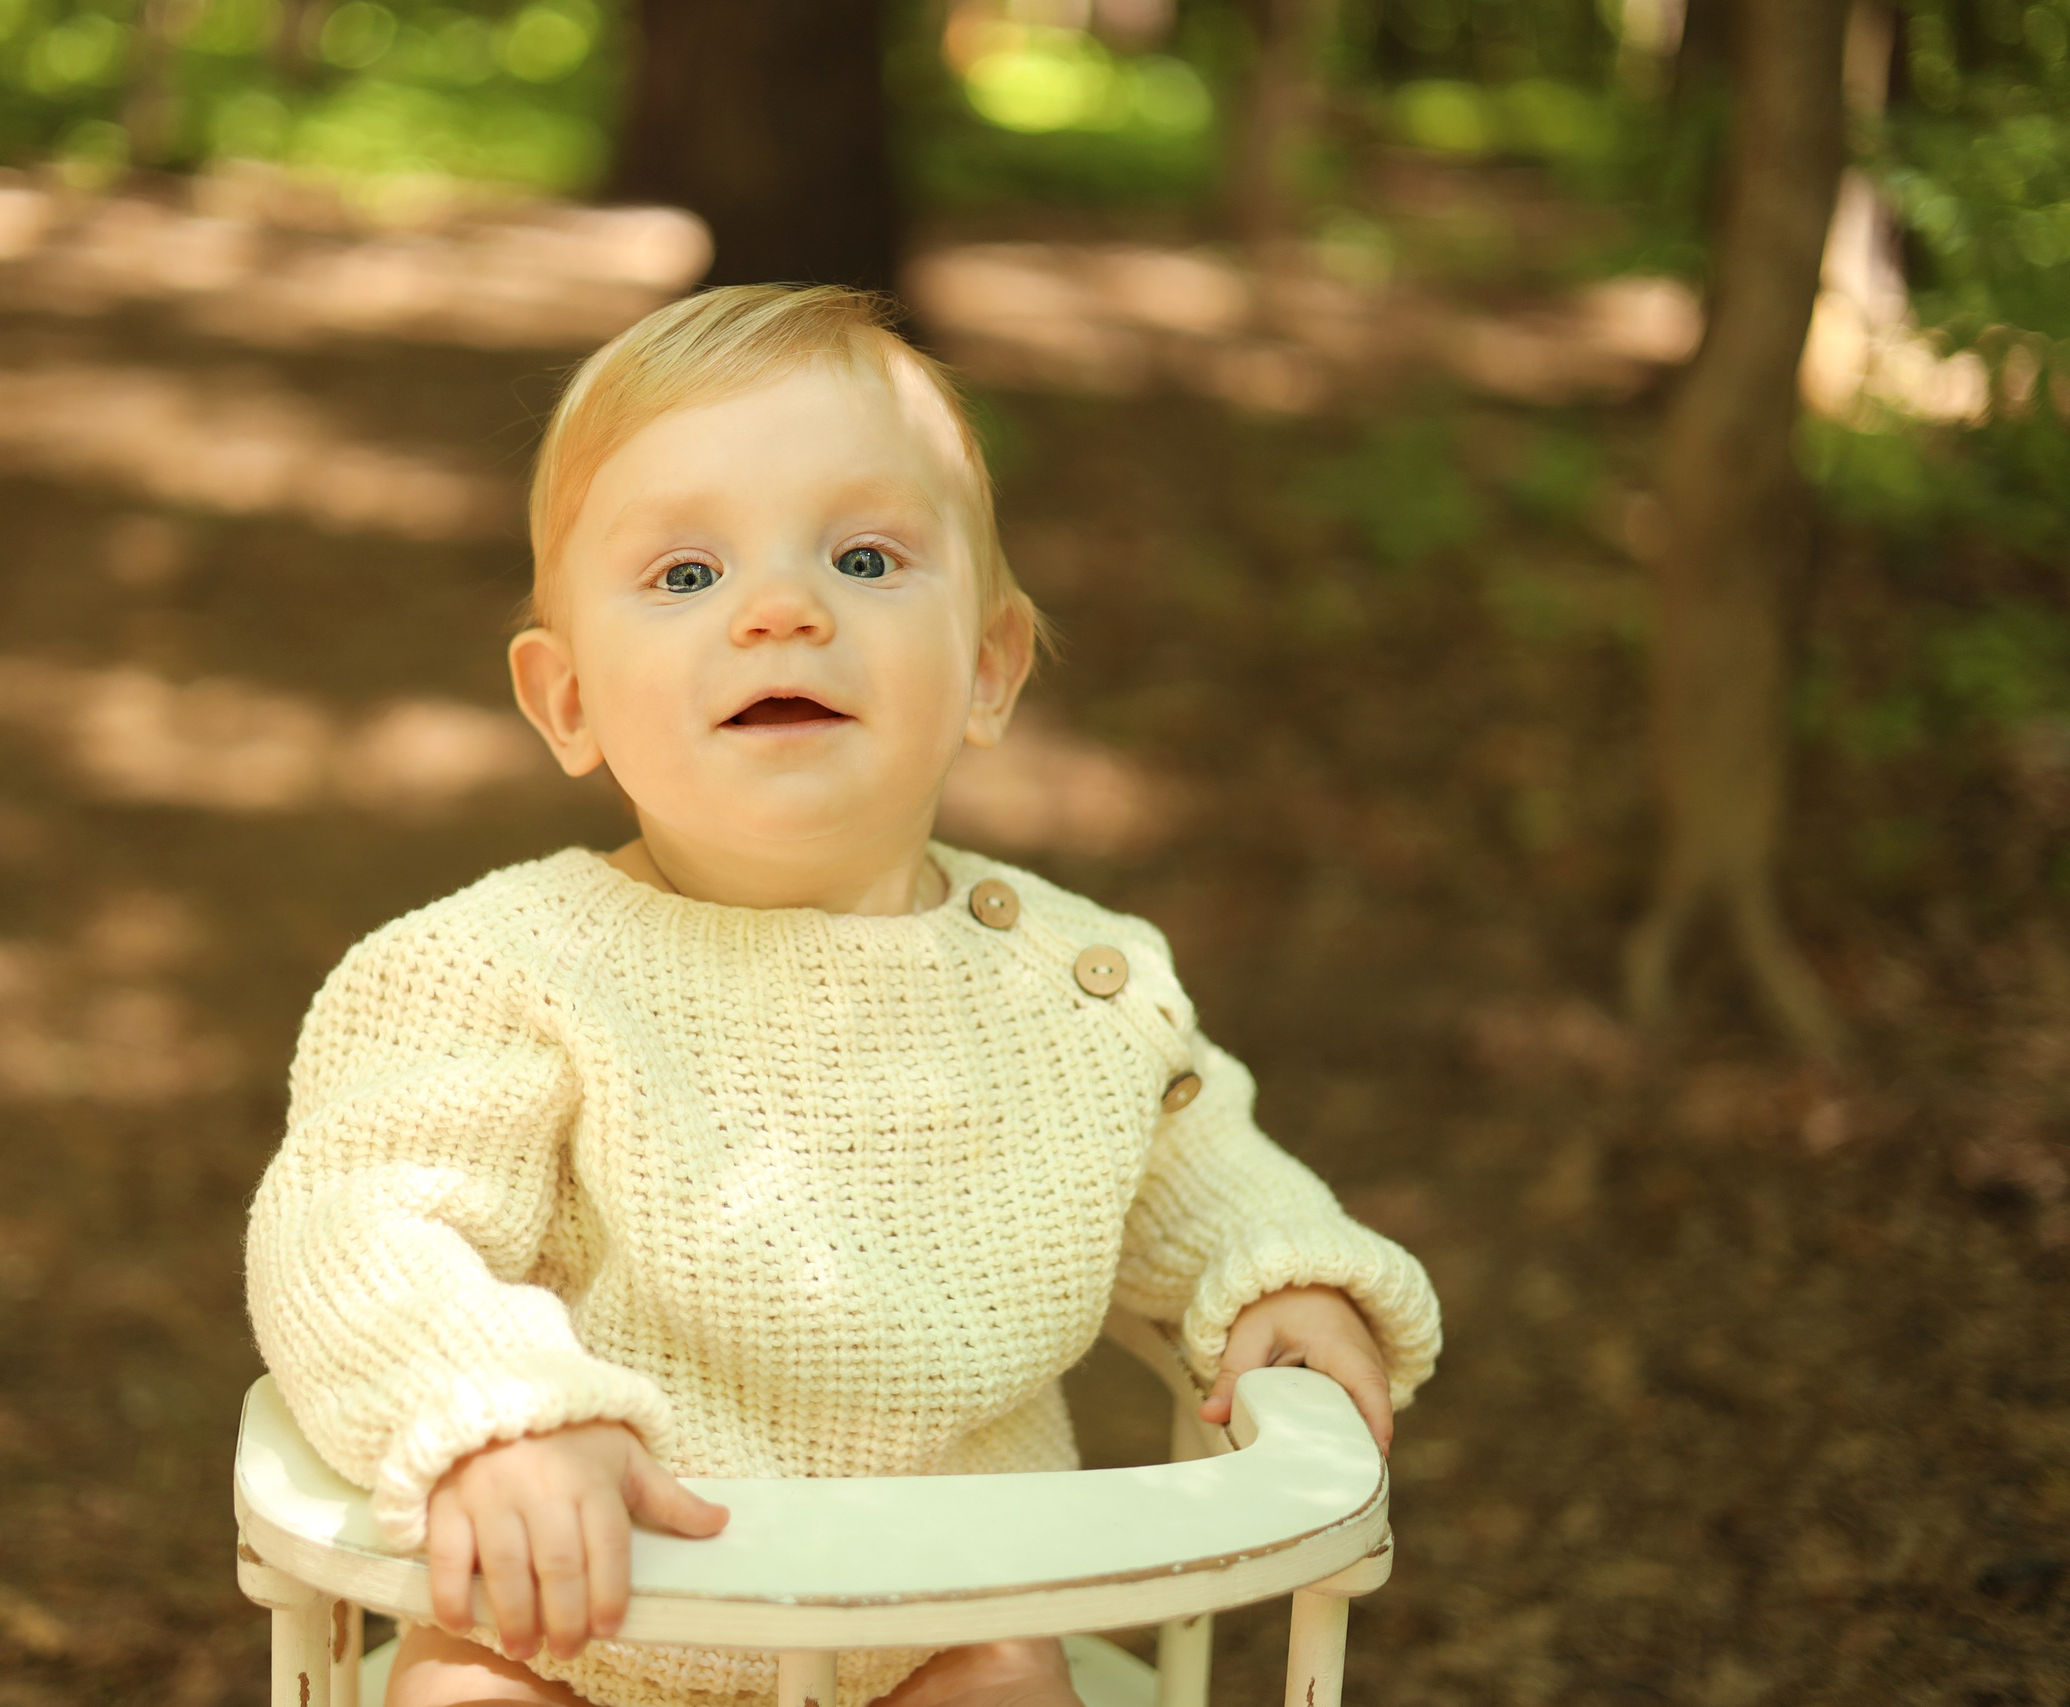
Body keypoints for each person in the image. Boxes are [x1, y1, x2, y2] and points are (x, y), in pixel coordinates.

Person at [245, 284, 1442, 1707]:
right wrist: (493, 1417)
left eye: (866, 557)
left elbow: (1198, 1167)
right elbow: (361, 1224)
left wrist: (1286, 1278)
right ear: (566, 702)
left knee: (1007, 1689)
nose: (782, 610)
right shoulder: (499, 972)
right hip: (576, 1609)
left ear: (989, 668)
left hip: (938, 1625)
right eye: (687, 576)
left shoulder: (1075, 987)